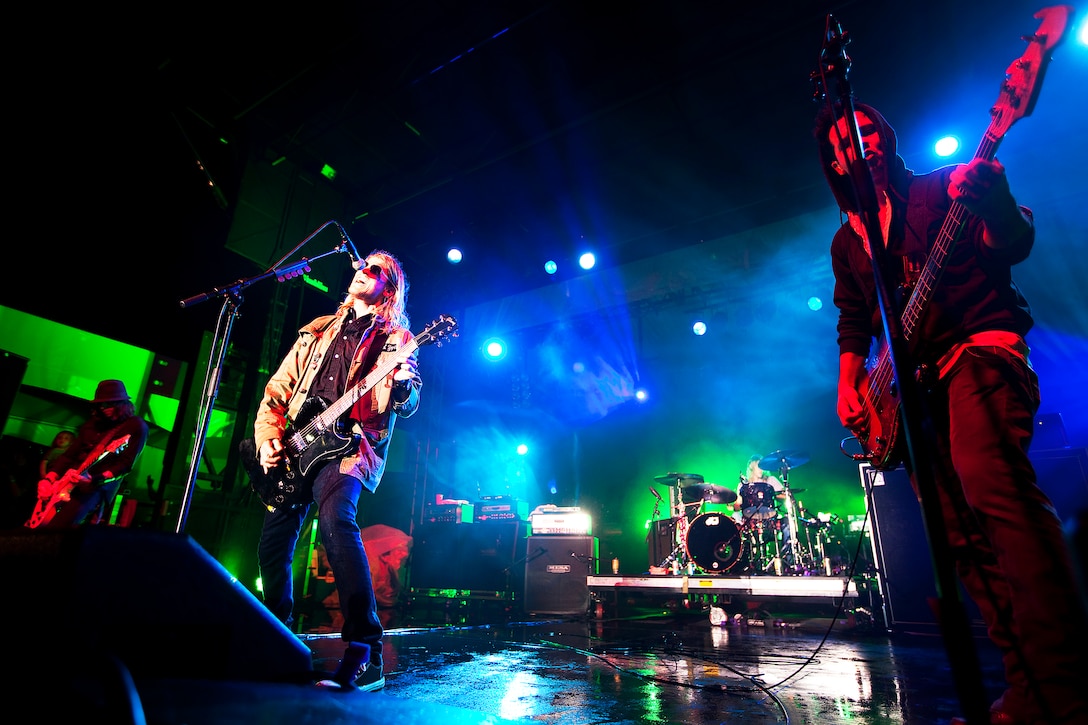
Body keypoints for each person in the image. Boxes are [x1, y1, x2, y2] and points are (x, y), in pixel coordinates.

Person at [814, 101, 1088, 724]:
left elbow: (1009, 245)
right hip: (914, 386)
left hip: (979, 351)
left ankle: (1068, 687)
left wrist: (997, 203)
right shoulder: (848, 240)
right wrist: (850, 383)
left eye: (869, 131)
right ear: (835, 163)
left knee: (992, 486)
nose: (862, 144)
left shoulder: (940, 190)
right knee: (958, 538)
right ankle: (1028, 689)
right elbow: (853, 317)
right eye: (846, 141)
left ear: (887, 138)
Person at [250, 250, 421, 692]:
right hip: (297, 444)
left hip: (350, 446)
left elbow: (407, 404)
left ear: (390, 288)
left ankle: (367, 650)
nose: (362, 269)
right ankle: (277, 639)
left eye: (375, 269)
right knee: (273, 544)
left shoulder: (397, 339)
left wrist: (403, 385)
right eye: (362, 264)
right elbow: (277, 391)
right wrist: (268, 438)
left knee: (335, 522)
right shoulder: (318, 329)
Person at [29, 380, 148, 528]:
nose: (104, 408)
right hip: (66, 483)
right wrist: (48, 479)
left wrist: (95, 479)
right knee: (38, 528)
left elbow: (125, 465)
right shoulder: (93, 424)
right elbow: (69, 455)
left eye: (109, 404)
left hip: (95, 487)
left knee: (59, 527)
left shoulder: (135, 426)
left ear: (122, 404)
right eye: (101, 404)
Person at [733, 454, 794, 572]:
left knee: (788, 522)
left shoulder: (771, 480)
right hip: (750, 521)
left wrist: (777, 494)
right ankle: (740, 560)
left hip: (770, 519)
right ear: (751, 467)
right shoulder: (744, 484)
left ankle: (788, 561)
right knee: (735, 518)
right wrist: (735, 503)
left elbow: (783, 495)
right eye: (758, 466)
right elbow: (737, 505)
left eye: (762, 466)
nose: (761, 469)